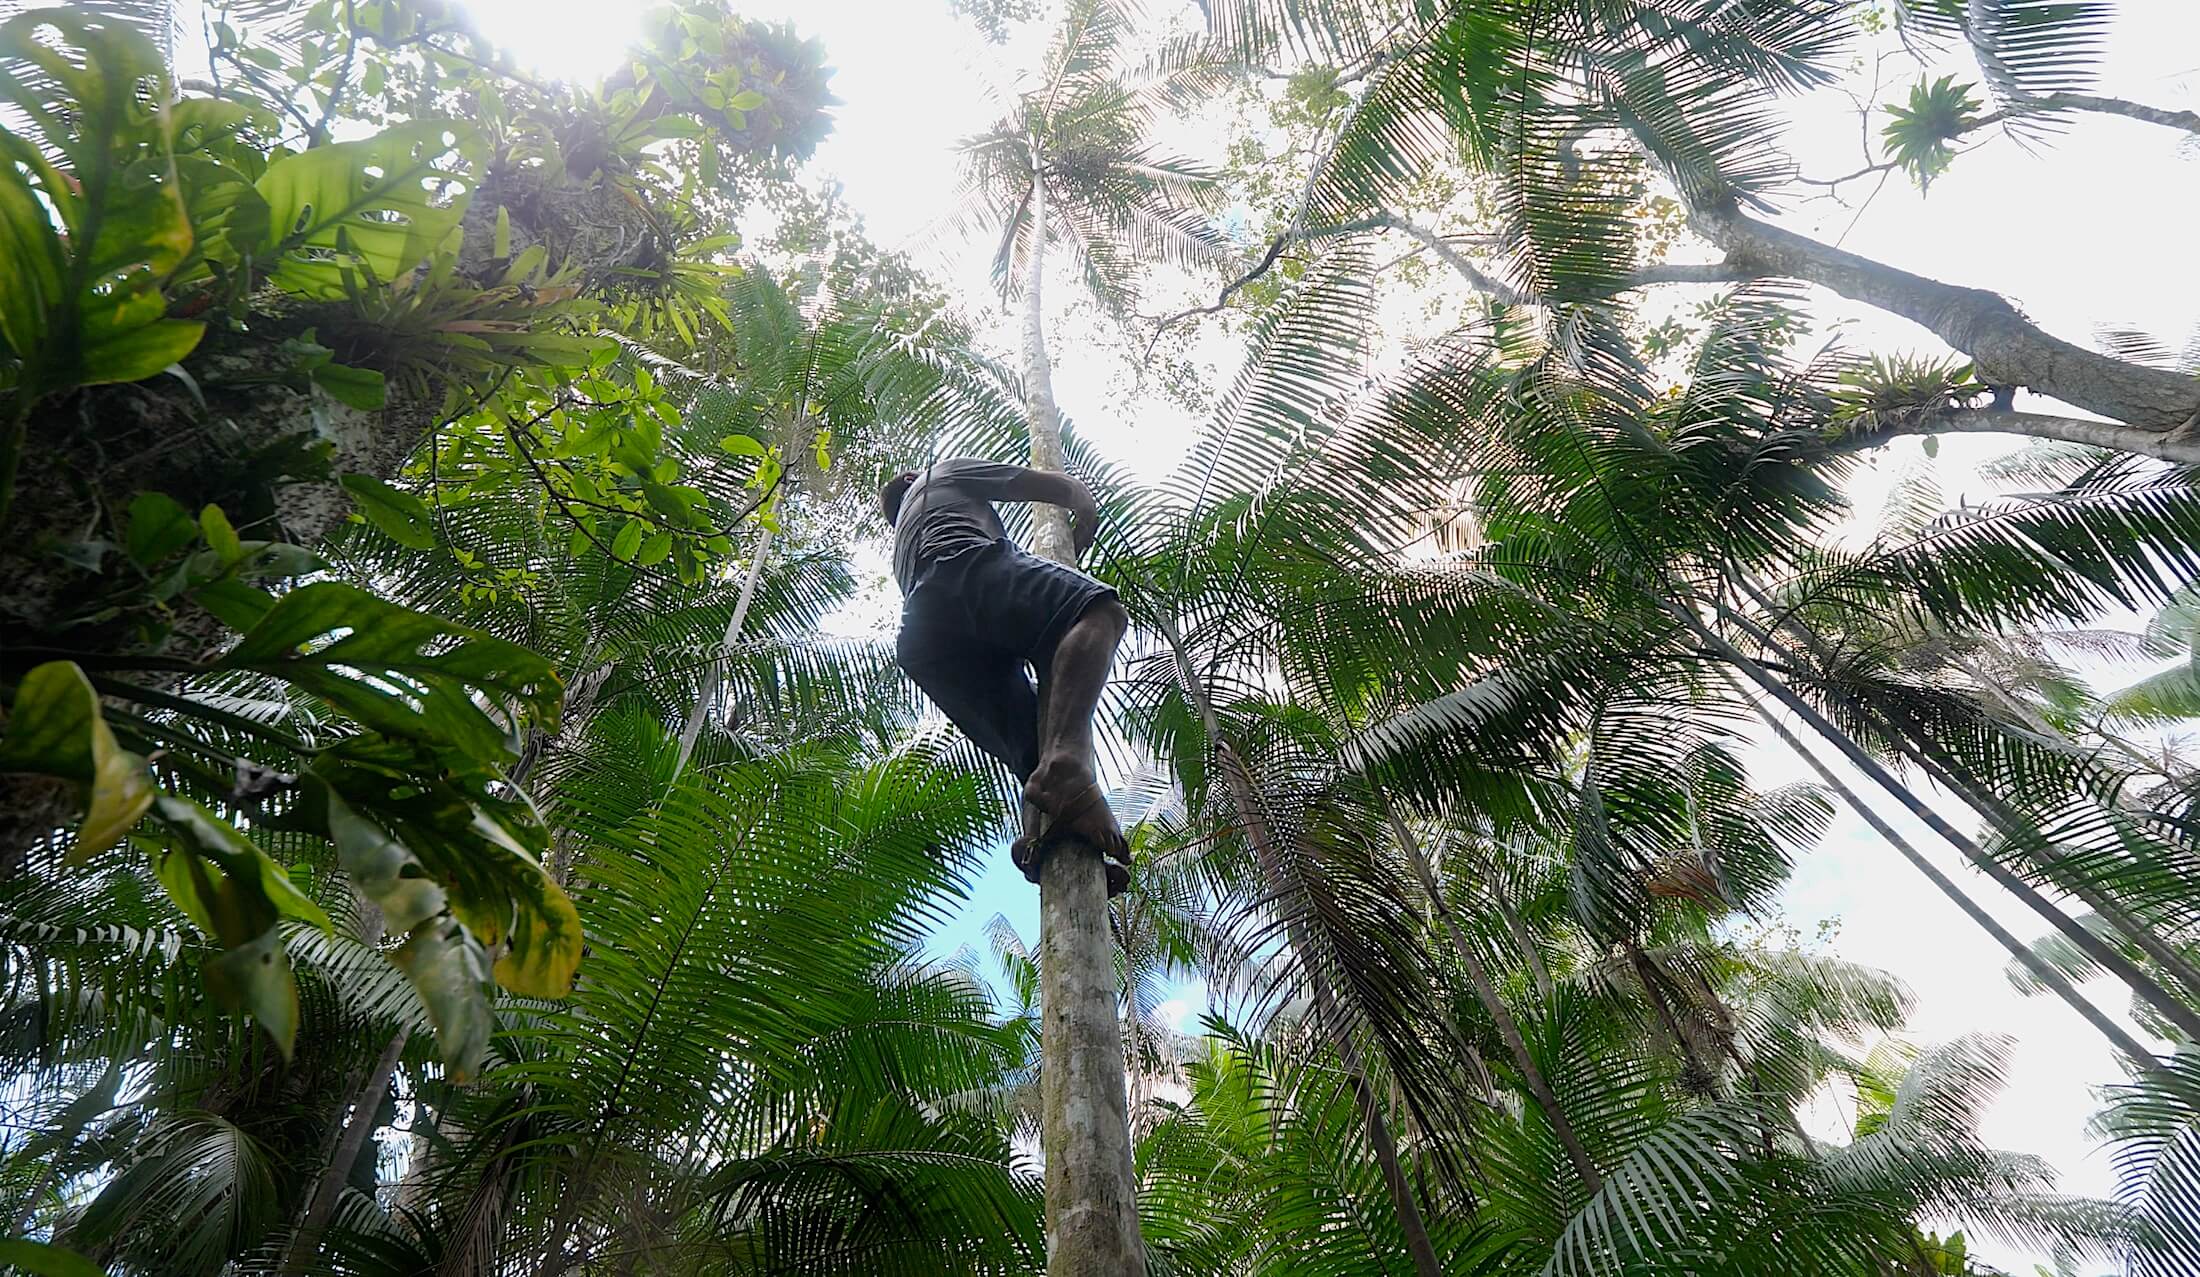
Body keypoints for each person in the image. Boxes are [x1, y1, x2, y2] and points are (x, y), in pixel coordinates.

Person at [881, 458, 1132, 894]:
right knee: (1097, 612)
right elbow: (1055, 487)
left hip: (924, 639)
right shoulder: (941, 473)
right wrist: (1084, 507)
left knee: (1037, 731)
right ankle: (1068, 765)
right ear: (909, 480)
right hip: (963, 567)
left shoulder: (904, 541)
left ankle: (1043, 837)